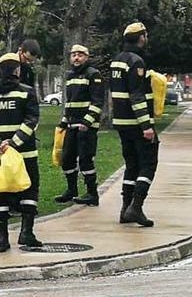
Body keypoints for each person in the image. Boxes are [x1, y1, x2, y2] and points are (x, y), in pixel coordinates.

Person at [110, 22, 157, 227]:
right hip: (136, 123)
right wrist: (146, 125)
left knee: (131, 166)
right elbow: (136, 95)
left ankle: (125, 209)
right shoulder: (136, 61)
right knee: (148, 164)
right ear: (141, 38)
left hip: (121, 122)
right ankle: (136, 207)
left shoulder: (117, 61)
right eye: (145, 36)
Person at [0, 53, 42, 251]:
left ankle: (2, 238)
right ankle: (27, 233)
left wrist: (2, 144)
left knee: (1, 193)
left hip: (1, 156)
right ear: (17, 70)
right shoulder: (27, 92)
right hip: (25, 153)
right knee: (30, 190)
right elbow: (31, 121)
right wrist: (14, 142)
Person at [55, 45, 104, 206]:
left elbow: (97, 102)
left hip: (86, 127)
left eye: (80, 55)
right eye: (74, 55)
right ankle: (72, 190)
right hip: (71, 125)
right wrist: (63, 121)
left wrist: (87, 122)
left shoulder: (93, 74)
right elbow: (69, 102)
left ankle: (92, 193)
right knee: (67, 159)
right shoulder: (69, 76)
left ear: (87, 57)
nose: (76, 58)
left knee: (85, 160)